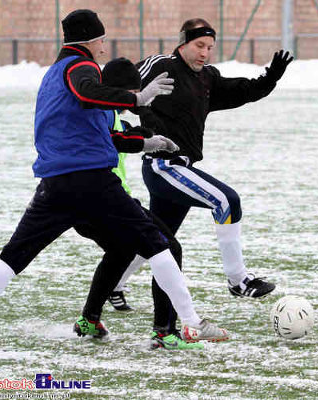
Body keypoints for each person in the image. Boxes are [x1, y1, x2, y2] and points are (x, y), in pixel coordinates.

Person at [0, 10, 229, 361]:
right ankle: (188, 323)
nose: (102, 46)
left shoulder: (52, 75)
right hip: (93, 182)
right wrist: (137, 100)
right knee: (160, 245)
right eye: (101, 39)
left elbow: (103, 131)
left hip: (54, 185)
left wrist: (147, 142)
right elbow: (88, 91)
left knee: (13, 257)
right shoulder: (79, 68)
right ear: (92, 40)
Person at [115, 18, 294, 301]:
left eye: (210, 47)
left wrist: (271, 76)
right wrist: (129, 118)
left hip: (183, 167)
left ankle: (113, 285)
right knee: (226, 201)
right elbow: (121, 87)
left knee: (157, 238)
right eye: (199, 45)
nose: (204, 52)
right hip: (163, 165)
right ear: (183, 42)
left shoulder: (207, 77)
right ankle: (239, 280)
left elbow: (243, 91)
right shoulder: (161, 65)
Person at [75, 57, 202, 350]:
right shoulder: (100, 112)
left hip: (89, 202)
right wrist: (147, 139)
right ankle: (165, 332)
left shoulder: (106, 111)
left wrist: (144, 133)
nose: (131, 100)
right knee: (168, 247)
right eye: (130, 93)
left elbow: (121, 133)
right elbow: (116, 140)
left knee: (121, 251)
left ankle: (89, 319)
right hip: (104, 199)